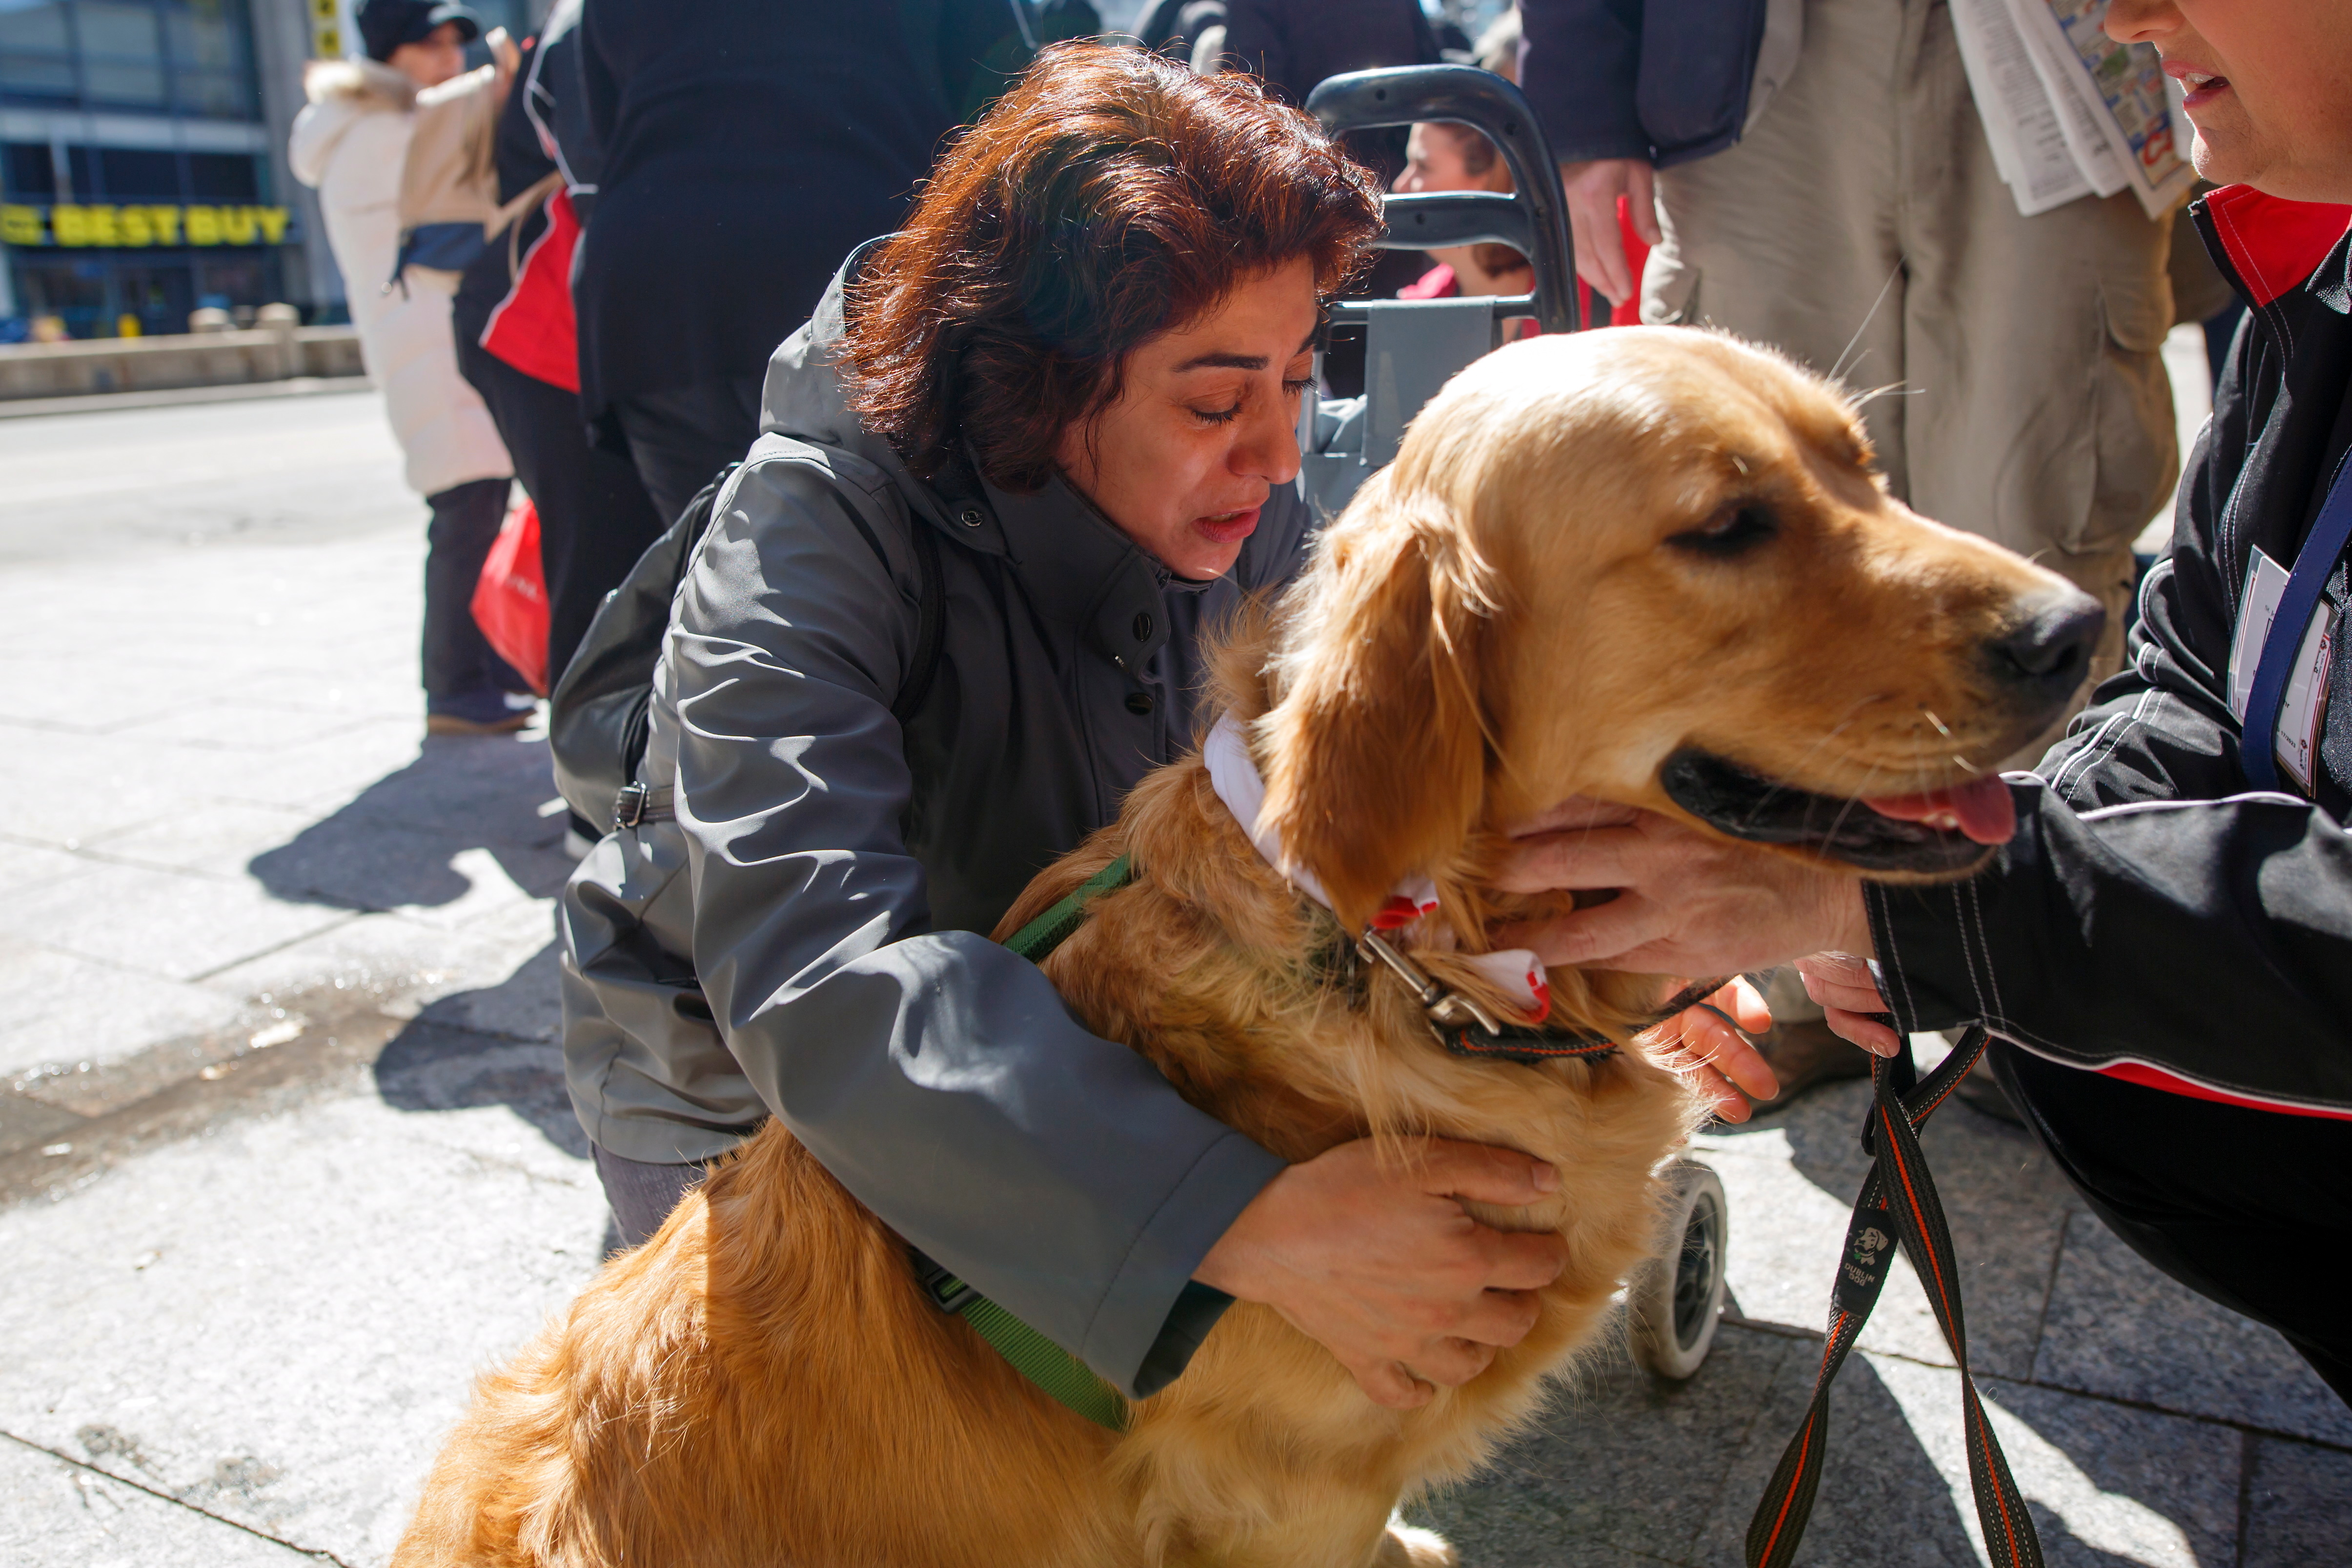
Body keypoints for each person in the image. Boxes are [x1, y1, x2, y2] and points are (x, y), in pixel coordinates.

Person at [559, 43, 1770, 1412]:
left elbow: (1378, 779)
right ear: (1031, 375)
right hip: (744, 1095)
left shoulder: (1245, 501)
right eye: (1212, 400)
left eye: (1299, 380)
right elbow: (813, 979)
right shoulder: (807, 533)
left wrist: (1612, 947)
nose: (1276, 456)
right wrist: (1232, 1222)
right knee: (911, 1449)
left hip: (1073, 1017)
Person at [1494, 0, 2352, 1401]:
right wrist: (1909, 886)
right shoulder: (2307, 275)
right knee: (2052, 988)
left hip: (2030, 96)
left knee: (2056, 988)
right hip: (1764, 76)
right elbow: (2193, 679)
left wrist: (1896, 903)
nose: (2127, 11)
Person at [1518, 0, 2183, 1100]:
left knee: (2033, 518)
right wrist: (1586, 107)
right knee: (1758, 548)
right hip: (1759, 60)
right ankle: (1791, 982)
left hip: (2054, 41)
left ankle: (2036, 990)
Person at [572, 0, 1085, 527]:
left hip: (655, 281)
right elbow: (1017, 109)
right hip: (858, 268)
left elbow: (596, 129)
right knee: (895, 552)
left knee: (721, 555)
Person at [290, 0, 529, 737]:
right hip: (425, 335)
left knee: (478, 501)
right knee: (465, 507)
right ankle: (454, 686)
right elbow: (460, 206)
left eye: (455, 43)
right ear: (388, 52)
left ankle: (484, 671)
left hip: (429, 332)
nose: (449, 59)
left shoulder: (380, 124)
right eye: (430, 44)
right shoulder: (375, 131)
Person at [449, 13, 664, 696]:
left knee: (629, 558)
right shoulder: (587, 26)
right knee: (602, 564)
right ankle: (592, 757)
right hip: (543, 329)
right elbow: (593, 177)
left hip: (599, 321)